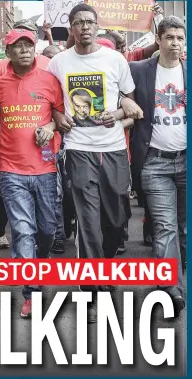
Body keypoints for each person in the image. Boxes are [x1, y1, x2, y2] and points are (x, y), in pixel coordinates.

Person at [47, 4, 141, 323]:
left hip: (113, 149)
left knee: (116, 220)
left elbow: (130, 102)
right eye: (78, 23)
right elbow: (51, 102)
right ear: (71, 29)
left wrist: (115, 113)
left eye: (90, 22)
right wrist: (59, 116)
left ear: (97, 27)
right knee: (88, 221)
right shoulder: (58, 63)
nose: (85, 27)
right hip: (78, 149)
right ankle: (91, 291)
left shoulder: (115, 60)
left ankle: (104, 267)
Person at [0, 29, 64, 318]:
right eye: (17, 46)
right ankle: (31, 293)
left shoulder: (49, 80)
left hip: (46, 168)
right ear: (7, 52)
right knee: (23, 230)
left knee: (47, 229)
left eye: (28, 45)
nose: (24, 50)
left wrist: (50, 128)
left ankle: (41, 258)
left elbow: (61, 118)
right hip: (11, 169)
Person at [129, 16, 186, 316]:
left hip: (186, 160)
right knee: (164, 227)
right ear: (159, 39)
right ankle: (169, 290)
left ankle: (179, 278)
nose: (175, 44)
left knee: (185, 228)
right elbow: (121, 95)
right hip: (154, 162)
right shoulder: (139, 70)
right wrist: (126, 104)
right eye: (170, 38)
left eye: (180, 38)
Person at [0, 19, 51, 91]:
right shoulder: (0, 68)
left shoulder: (48, 63)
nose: (24, 34)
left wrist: (49, 35)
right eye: (20, 31)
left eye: (30, 31)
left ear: (37, 37)